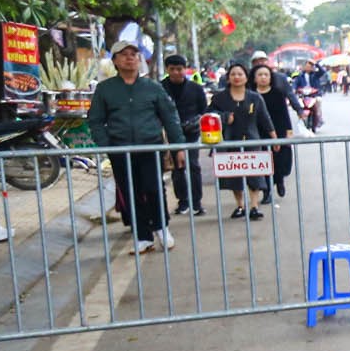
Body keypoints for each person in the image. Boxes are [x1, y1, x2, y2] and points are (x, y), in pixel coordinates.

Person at [86, 37, 185, 254]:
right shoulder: (105, 89)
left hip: (150, 147)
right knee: (130, 193)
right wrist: (106, 144)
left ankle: (161, 227)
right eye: (124, 54)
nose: (130, 58)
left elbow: (170, 117)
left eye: (134, 54)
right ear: (115, 61)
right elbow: (95, 120)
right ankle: (142, 237)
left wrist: (179, 147)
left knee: (153, 188)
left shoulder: (152, 87)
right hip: (120, 150)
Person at [209, 61, 275, 220]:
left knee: (254, 175)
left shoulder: (255, 97)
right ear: (228, 78)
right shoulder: (219, 98)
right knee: (234, 177)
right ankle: (240, 205)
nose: (236, 77)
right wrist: (224, 118)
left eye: (240, 74)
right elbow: (209, 115)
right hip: (229, 141)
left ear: (246, 78)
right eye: (233, 74)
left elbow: (265, 119)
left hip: (252, 141)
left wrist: (274, 138)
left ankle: (254, 206)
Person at [161, 53, 207, 217]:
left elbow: (204, 111)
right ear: (167, 69)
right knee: (177, 168)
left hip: (192, 134)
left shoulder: (195, 88)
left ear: (185, 70)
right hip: (171, 134)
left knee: (193, 166)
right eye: (172, 69)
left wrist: (195, 122)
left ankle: (197, 202)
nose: (176, 73)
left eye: (179, 69)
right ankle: (183, 201)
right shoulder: (160, 88)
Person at [252, 64, 295, 206]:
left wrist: (288, 131)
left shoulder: (277, 93)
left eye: (266, 75)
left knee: (278, 161)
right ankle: (267, 191)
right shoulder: (251, 94)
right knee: (263, 163)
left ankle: (280, 180)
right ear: (254, 78)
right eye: (260, 75)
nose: (263, 77)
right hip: (259, 132)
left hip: (278, 130)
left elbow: (284, 114)